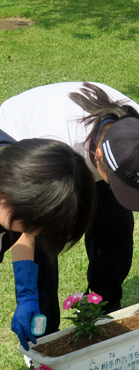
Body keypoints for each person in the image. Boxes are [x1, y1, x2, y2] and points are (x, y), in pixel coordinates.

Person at [0, 82, 139, 337]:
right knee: (45, 241)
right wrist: (27, 294)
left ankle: (102, 309)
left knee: (116, 228)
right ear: (99, 157)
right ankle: (43, 330)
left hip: (91, 152)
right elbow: (27, 226)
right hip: (25, 144)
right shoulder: (59, 144)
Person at [0, 133, 96, 350]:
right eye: (36, 223)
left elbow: (25, 234)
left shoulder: (20, 167)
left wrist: (27, 294)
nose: (35, 233)